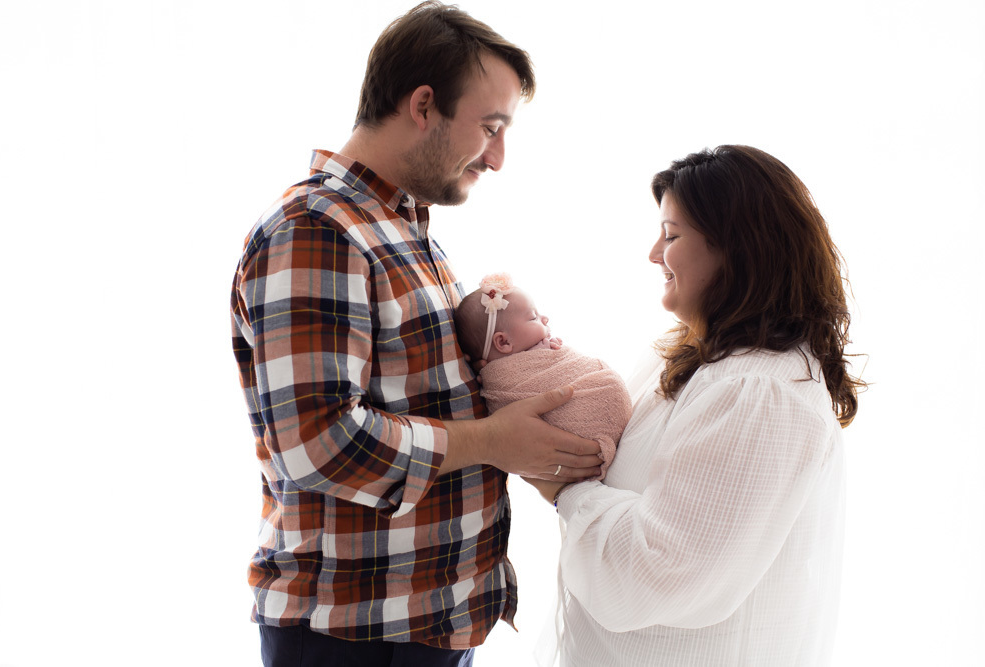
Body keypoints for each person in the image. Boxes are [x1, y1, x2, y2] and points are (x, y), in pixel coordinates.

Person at [229, 3, 603, 666]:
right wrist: (493, 439)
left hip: (418, 624)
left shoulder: (402, 229)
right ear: (424, 104)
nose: (498, 157)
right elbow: (317, 442)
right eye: (490, 127)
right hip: (354, 635)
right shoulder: (318, 228)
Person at [524, 145, 865, 666]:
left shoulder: (760, 393)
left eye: (672, 234)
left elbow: (653, 573)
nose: (654, 253)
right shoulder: (689, 358)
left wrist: (562, 488)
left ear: (737, 246)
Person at [454, 273, 630, 479]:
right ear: (503, 343)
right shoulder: (503, 378)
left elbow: (564, 369)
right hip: (583, 431)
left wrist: (554, 353)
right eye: (533, 317)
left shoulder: (531, 355)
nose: (545, 318)